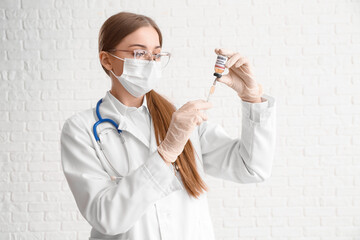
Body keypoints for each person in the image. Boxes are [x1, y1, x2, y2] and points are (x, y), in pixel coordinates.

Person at [60, 11, 276, 240]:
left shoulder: (181, 119)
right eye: (139, 53)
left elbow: (252, 168)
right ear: (106, 59)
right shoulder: (81, 129)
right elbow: (107, 219)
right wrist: (167, 152)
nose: (151, 63)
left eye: (156, 54)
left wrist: (252, 99)